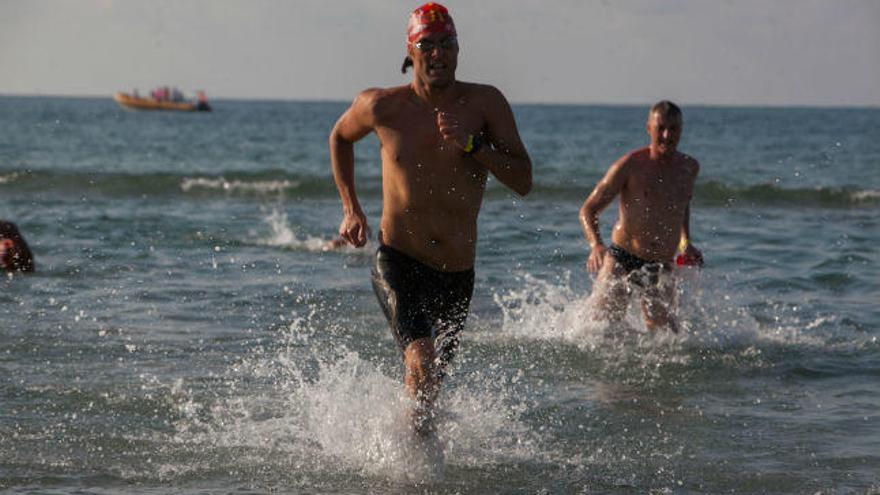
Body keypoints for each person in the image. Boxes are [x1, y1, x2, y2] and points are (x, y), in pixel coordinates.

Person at [328, 3, 532, 437]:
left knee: (429, 385)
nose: (438, 53)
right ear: (411, 51)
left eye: (447, 43)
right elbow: (340, 137)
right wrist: (351, 208)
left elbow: (524, 179)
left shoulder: (485, 104)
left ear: (458, 50)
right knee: (421, 361)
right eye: (428, 44)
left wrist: (474, 144)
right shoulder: (382, 106)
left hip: (458, 273)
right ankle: (412, 470)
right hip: (399, 260)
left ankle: (410, 460)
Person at [579, 101, 703, 333]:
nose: (667, 135)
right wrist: (596, 244)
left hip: (660, 265)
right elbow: (588, 210)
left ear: (681, 129)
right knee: (598, 331)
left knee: (668, 340)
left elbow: (681, 205)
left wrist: (685, 243)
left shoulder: (689, 168)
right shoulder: (630, 165)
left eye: (673, 129)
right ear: (649, 129)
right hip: (623, 259)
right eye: (661, 128)